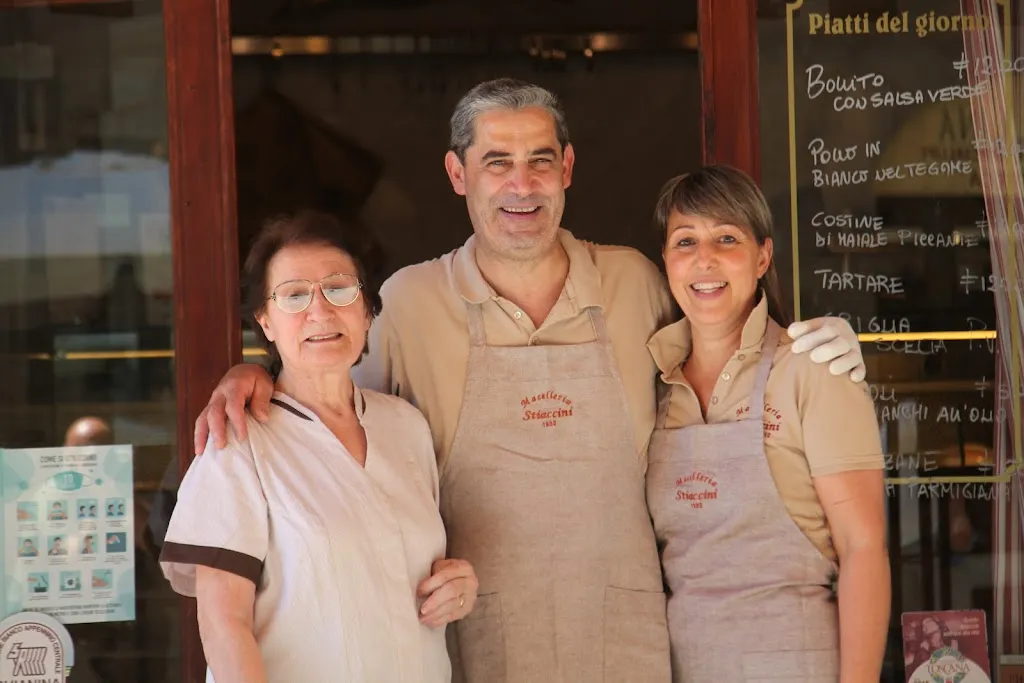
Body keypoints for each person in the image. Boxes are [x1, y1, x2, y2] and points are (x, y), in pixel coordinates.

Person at [193, 79, 866, 682]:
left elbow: (725, 326)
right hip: (477, 648)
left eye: (540, 161)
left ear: (567, 168)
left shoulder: (635, 281)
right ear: (459, 174)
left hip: (628, 647)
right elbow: (331, 404)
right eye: (497, 163)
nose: (522, 185)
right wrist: (253, 370)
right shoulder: (406, 303)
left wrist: (816, 339)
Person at [161, 210, 477, 683]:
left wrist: (458, 587)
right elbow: (224, 625)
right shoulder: (238, 442)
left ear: (368, 309)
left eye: (340, 288)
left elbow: (402, 571)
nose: (321, 310)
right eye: (293, 295)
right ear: (265, 322)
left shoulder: (405, 426)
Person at [644, 166, 889, 682]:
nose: (703, 259)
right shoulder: (656, 387)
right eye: (684, 241)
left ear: (762, 257)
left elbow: (862, 549)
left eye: (726, 238)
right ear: (666, 261)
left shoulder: (814, 370)